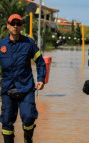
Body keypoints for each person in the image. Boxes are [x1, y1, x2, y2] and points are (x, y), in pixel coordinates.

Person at [0, 14, 46, 143]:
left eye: (18, 24)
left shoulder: (29, 43)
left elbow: (40, 62)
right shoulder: (1, 45)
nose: (15, 26)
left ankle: (28, 140)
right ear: (8, 25)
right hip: (7, 89)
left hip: (25, 88)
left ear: (21, 26)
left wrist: (41, 79)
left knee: (29, 117)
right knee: (7, 120)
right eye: (12, 23)